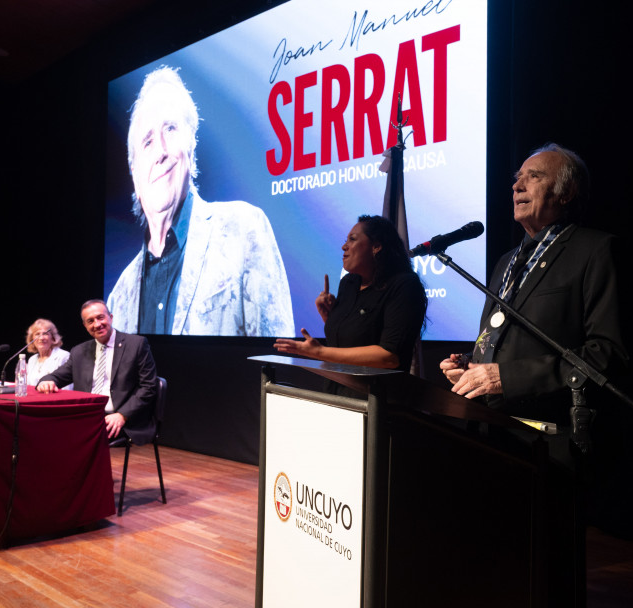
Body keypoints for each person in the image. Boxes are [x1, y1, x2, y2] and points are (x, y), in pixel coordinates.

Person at [440, 143, 628, 427]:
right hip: (489, 427)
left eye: (534, 176)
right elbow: (509, 342)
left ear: (566, 193)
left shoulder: (594, 250)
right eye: (518, 178)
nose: (517, 186)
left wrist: (507, 379)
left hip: (549, 434)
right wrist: (470, 365)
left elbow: (607, 354)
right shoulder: (506, 261)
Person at [107, 66, 294, 337]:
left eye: (170, 129)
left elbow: (276, 358)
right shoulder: (120, 295)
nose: (160, 151)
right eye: (147, 142)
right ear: (134, 175)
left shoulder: (244, 230)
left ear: (191, 146)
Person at [273, 215, 427, 390]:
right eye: (345, 240)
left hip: (377, 401)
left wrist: (318, 352)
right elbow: (351, 341)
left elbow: (389, 357)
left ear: (376, 247)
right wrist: (330, 317)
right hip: (337, 391)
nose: (344, 246)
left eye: (352, 240)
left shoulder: (404, 285)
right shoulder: (349, 283)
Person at [37, 300, 158, 441]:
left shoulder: (136, 345)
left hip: (121, 418)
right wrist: (47, 381)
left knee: (77, 437)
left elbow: (149, 387)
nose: (97, 324)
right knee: (47, 429)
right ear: (85, 326)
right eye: (90, 321)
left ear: (110, 317)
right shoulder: (79, 351)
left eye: (100, 317)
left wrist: (122, 415)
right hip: (88, 416)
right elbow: (57, 376)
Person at [24, 318, 71, 389]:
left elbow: (67, 388)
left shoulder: (63, 356)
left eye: (45, 334)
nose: (41, 338)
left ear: (53, 338)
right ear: (32, 339)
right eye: (37, 334)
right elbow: (28, 386)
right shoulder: (32, 360)